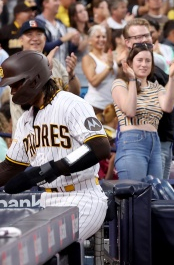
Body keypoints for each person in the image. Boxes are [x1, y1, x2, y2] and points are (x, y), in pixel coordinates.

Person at [0, 50, 110, 241]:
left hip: (82, 196)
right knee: (25, 252)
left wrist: (56, 167)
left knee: (44, 248)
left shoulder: (71, 103)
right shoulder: (26, 120)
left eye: (15, 85)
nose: (12, 91)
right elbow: (10, 167)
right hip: (48, 200)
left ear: (34, 81)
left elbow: (99, 146)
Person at [111, 43, 174, 181]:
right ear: (130, 63)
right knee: (136, 194)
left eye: (148, 61)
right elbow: (130, 111)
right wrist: (132, 80)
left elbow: (168, 107)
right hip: (132, 142)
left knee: (155, 194)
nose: (144, 64)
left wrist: (173, 76)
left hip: (155, 142)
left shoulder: (156, 87)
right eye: (140, 60)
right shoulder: (120, 84)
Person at [82, 25, 117, 115]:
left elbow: (117, 77)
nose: (101, 39)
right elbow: (94, 81)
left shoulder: (110, 56)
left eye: (103, 37)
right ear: (90, 41)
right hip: (95, 105)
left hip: (112, 106)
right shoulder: (88, 58)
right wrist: (109, 67)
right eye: (98, 37)